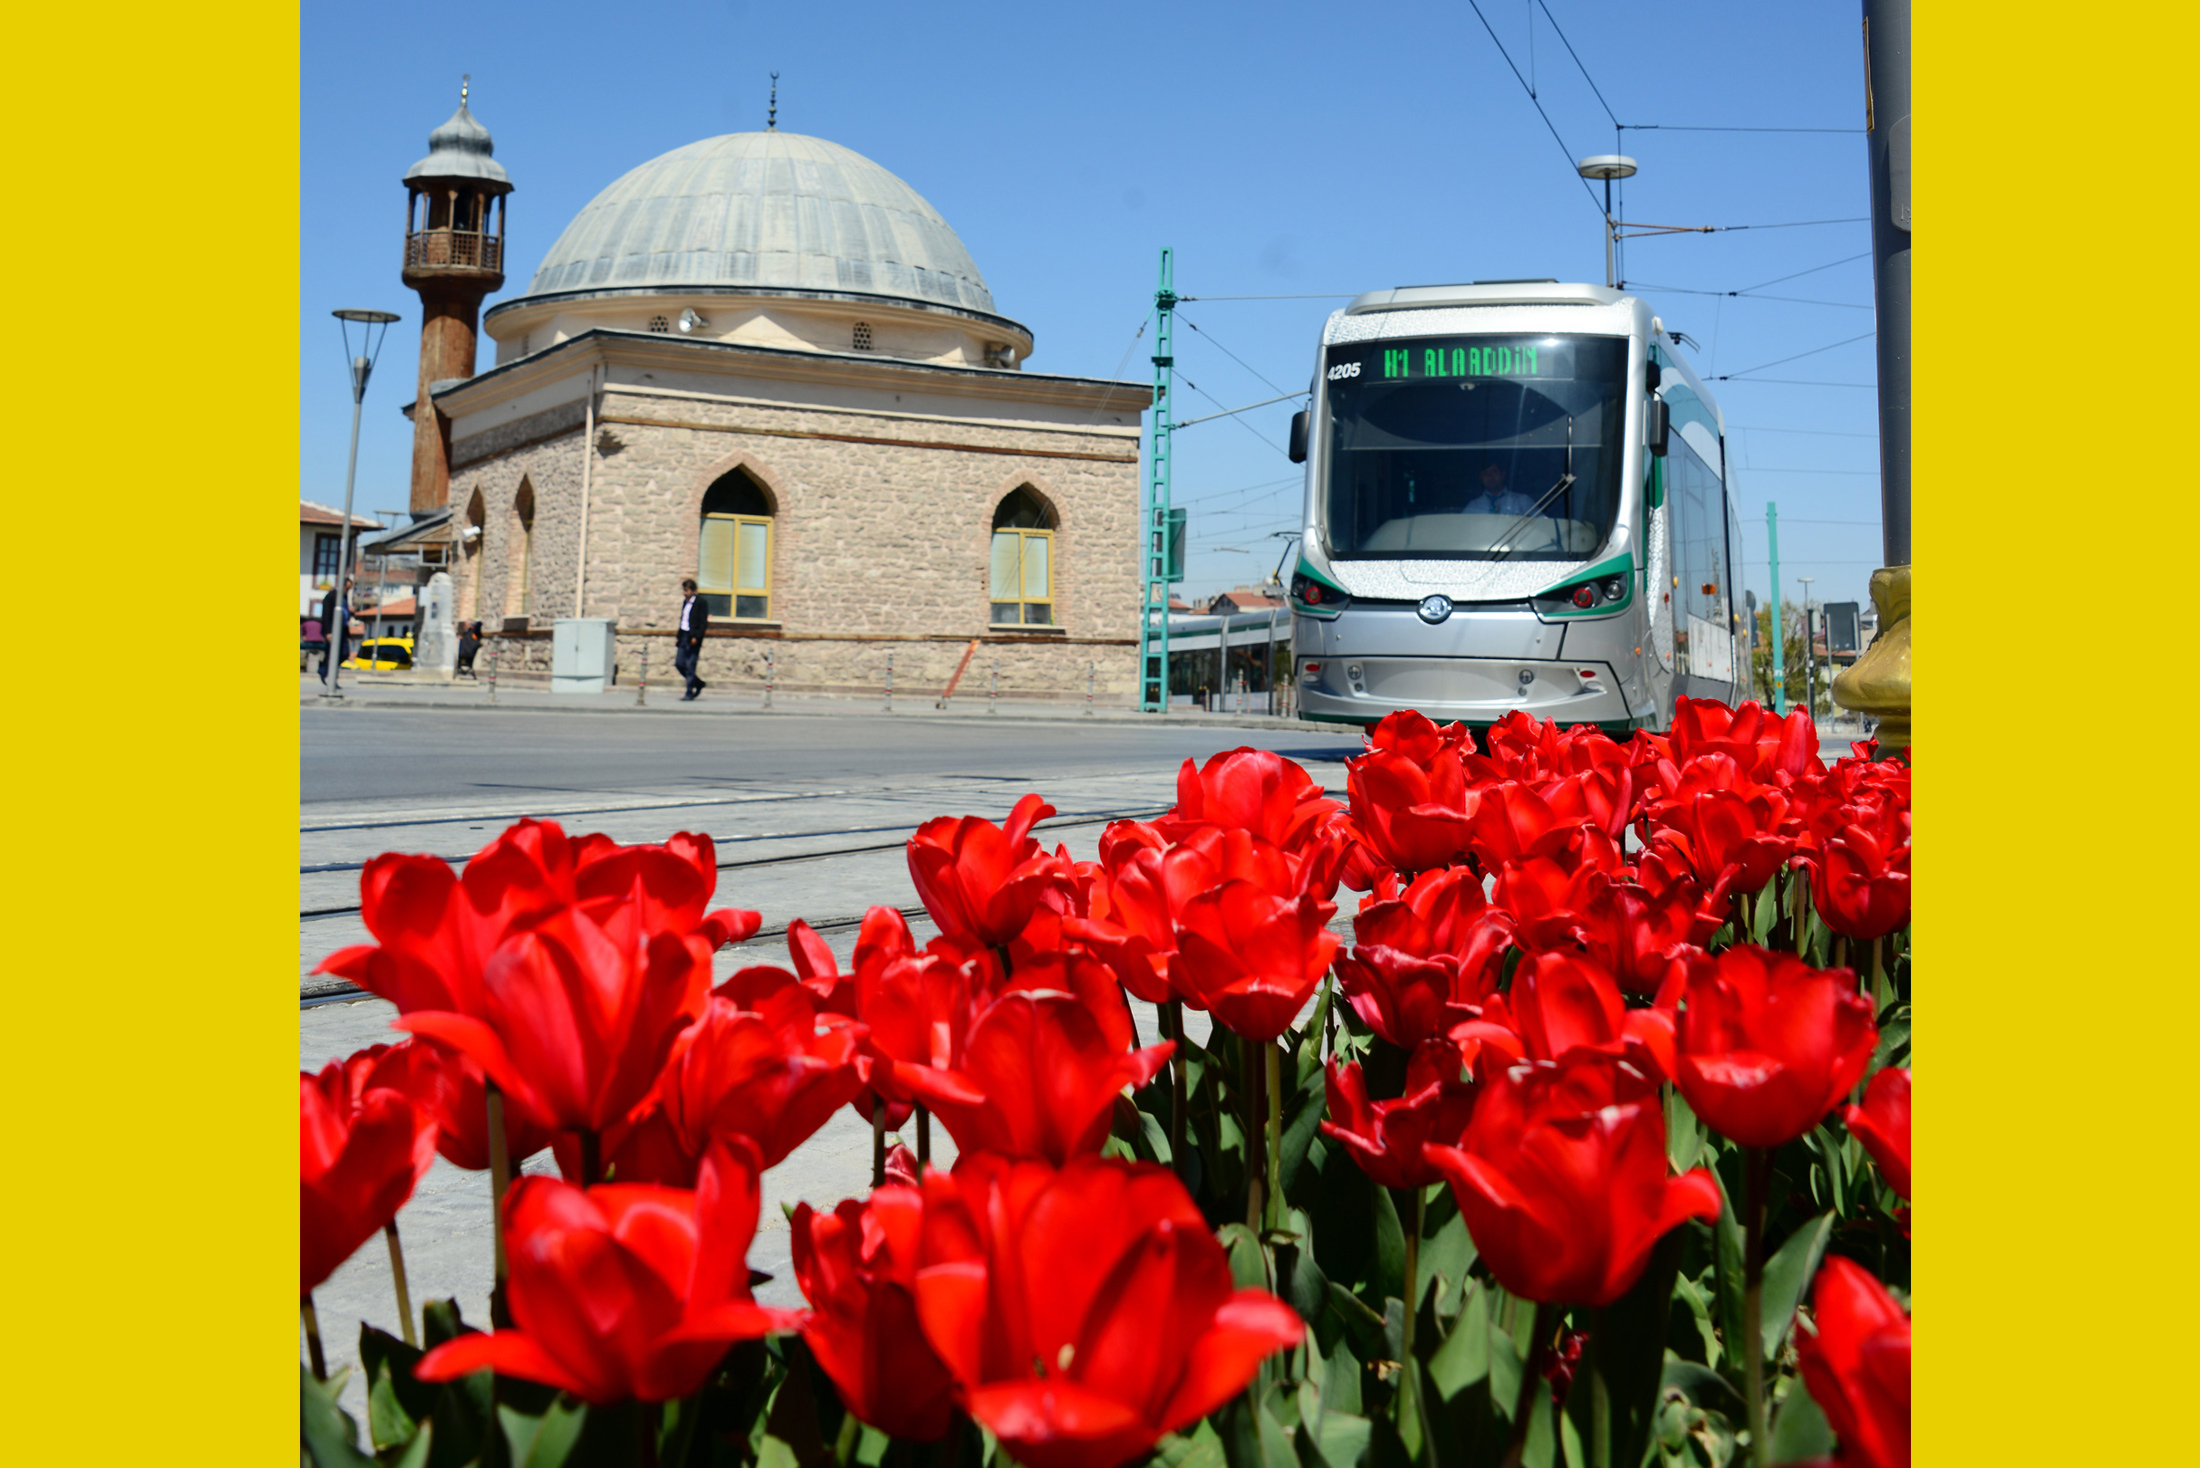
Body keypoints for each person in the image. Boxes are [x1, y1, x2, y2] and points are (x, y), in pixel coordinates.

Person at [675, 578, 710, 700]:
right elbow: (683, 620)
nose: (685, 593)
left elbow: (703, 623)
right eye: (684, 590)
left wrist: (696, 636)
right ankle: (698, 683)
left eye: (687, 590)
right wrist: (678, 636)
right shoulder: (685, 602)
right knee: (679, 663)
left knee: (690, 665)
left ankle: (689, 692)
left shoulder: (701, 602)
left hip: (693, 637)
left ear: (693, 590)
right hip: (683, 635)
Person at [1462, 463, 1537, 517]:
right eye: (1485, 474)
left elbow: (1541, 523)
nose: (1490, 476)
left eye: (1494, 472)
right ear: (1481, 478)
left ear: (1503, 474)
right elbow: (1463, 528)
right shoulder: (1474, 506)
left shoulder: (1522, 501)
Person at [317, 578, 353, 684]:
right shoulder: (331, 596)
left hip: (342, 630)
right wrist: (328, 632)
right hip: (333, 630)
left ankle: (326, 671)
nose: (348, 590)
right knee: (333, 653)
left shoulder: (344, 597)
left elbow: (344, 613)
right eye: (347, 587)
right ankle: (326, 672)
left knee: (344, 653)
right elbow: (326, 615)